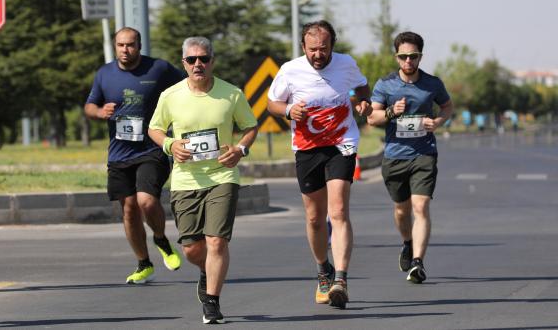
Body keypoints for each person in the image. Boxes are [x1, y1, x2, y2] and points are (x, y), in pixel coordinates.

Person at [148, 36, 257, 324]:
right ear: (184, 63)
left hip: (223, 175)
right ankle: (206, 270)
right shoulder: (170, 95)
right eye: (192, 59)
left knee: (217, 242)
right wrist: (170, 144)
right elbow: (154, 129)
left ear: (212, 61)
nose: (198, 64)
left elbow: (250, 127)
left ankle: (212, 302)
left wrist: (240, 149)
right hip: (185, 180)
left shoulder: (231, 94)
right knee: (191, 249)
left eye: (204, 59)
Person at [266, 20, 372, 309]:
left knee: (338, 211)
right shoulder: (290, 70)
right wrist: (289, 110)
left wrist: (363, 102)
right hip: (307, 148)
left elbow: (362, 87)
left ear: (332, 46)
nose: (318, 55)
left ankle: (341, 280)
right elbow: (272, 103)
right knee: (315, 218)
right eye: (312, 49)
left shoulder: (346, 64)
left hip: (341, 144)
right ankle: (323, 270)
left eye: (323, 49)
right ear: (303, 47)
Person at [84, 27, 185, 284]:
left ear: (139, 46)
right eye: (121, 45)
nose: (125, 50)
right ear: (115, 46)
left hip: (152, 148)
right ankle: (144, 263)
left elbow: (188, 87)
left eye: (130, 45)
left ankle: (161, 240)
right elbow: (89, 105)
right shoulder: (104, 73)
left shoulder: (159, 69)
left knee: (146, 202)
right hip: (119, 153)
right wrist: (100, 112)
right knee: (129, 209)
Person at [367, 31, 452, 284]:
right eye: (403, 56)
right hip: (395, 156)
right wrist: (392, 112)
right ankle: (407, 242)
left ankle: (417, 263)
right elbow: (372, 118)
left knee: (420, 207)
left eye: (413, 56)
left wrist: (438, 121)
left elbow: (447, 106)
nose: (408, 61)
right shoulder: (385, 84)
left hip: (424, 153)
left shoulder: (432, 84)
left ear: (420, 57)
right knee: (401, 211)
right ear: (396, 57)